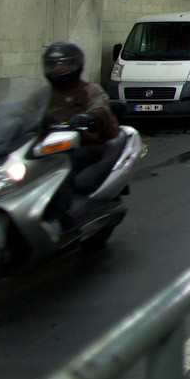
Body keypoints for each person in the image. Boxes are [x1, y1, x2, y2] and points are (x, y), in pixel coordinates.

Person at [41, 42, 120, 237]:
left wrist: (87, 116)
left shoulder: (89, 90)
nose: (58, 69)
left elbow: (100, 106)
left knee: (62, 165)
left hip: (84, 144)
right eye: (54, 64)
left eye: (63, 64)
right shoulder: (44, 94)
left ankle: (61, 219)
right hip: (47, 145)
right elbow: (22, 113)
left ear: (75, 65)